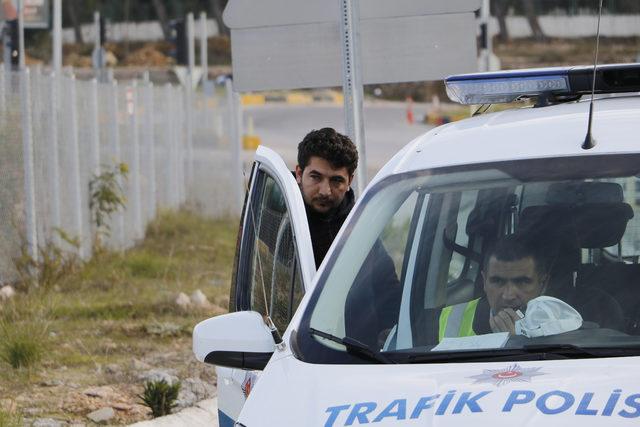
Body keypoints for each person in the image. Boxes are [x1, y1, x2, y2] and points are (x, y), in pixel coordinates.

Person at [438, 234, 552, 341]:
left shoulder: (562, 326)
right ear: (484, 282)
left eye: (521, 282)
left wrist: (519, 344)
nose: (508, 296)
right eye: (497, 281)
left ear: (543, 284)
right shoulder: (447, 319)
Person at [295, 127, 358, 268]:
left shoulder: (358, 229)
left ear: (349, 181)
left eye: (336, 180)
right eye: (316, 177)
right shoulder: (275, 208)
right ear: (299, 174)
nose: (325, 191)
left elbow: (387, 283)